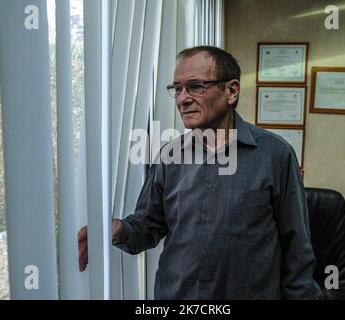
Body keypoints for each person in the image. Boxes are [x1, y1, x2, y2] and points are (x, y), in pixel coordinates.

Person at [78, 46, 321, 300]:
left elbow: (298, 249)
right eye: (178, 89)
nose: (183, 99)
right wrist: (116, 230)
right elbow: (148, 226)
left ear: (231, 91)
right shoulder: (169, 156)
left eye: (195, 86)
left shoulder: (276, 155)